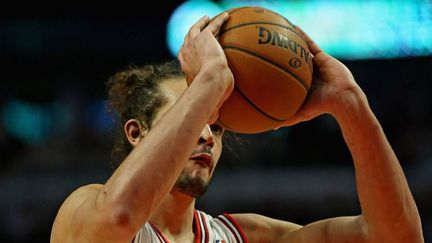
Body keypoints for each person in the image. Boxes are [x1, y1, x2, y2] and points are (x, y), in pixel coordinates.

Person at [50, 12, 424, 243]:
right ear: (137, 133)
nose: (206, 134)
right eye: (191, 117)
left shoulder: (244, 236)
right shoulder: (81, 212)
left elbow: (396, 238)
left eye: (217, 125)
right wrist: (211, 78)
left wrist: (351, 105)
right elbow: (119, 217)